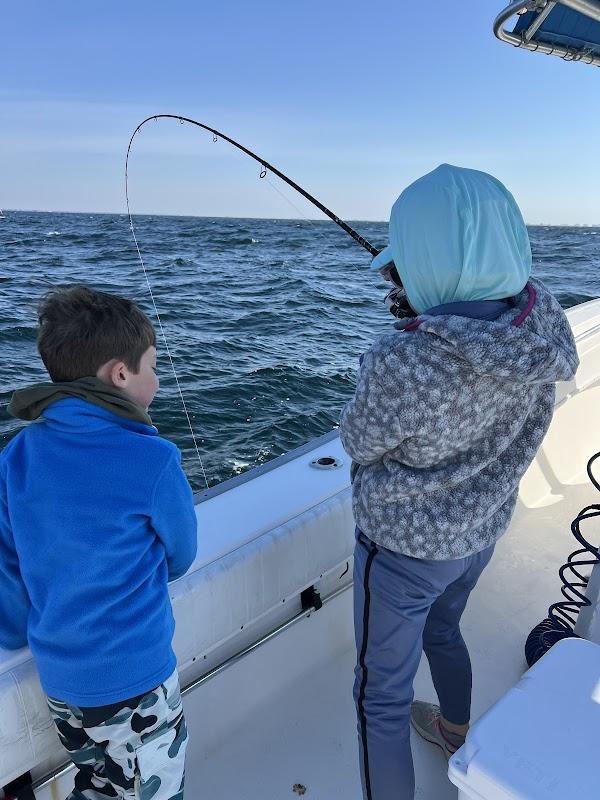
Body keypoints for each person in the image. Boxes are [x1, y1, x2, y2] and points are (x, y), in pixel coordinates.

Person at [339, 164, 579, 800]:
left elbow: (360, 442)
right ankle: (454, 729)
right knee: (444, 630)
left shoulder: (401, 358)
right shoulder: (543, 320)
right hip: (479, 536)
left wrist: (419, 309)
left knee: (379, 700)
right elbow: (485, 316)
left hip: (402, 555)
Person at [0, 286, 198, 800]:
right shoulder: (154, 458)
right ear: (120, 374)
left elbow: (8, 565)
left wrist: (13, 632)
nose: (157, 379)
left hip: (62, 688)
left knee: (96, 785)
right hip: (137, 684)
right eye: (152, 366)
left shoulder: (17, 455)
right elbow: (181, 555)